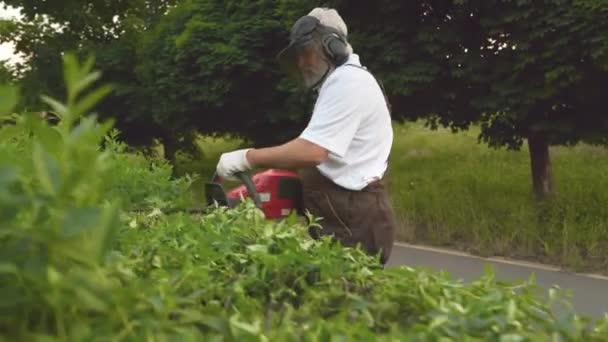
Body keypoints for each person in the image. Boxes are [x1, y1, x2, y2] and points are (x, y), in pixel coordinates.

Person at [216, 8, 397, 264]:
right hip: (345, 212)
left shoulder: (348, 82)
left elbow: (313, 151)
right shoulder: (342, 82)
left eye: (306, 53)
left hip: (353, 219)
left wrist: (248, 157)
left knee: (345, 296)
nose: (301, 63)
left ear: (332, 46)